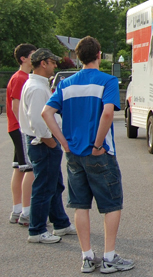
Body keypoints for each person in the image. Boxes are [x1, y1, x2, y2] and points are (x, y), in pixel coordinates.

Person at [42, 36, 134, 274]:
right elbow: (107, 114)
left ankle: (86, 256)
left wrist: (63, 142)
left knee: (80, 204)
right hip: (99, 152)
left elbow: (46, 112)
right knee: (112, 204)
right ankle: (109, 257)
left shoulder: (66, 83)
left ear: (78, 56)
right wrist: (97, 144)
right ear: (99, 55)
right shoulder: (108, 81)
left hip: (73, 153)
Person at [19, 48, 76, 244]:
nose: (54, 65)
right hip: (42, 142)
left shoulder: (36, 84)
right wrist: (51, 141)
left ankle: (60, 222)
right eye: (52, 62)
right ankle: (37, 229)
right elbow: (37, 120)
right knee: (44, 187)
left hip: (42, 142)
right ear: (43, 63)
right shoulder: (36, 88)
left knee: (53, 184)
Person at [6, 44, 36, 226]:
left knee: (19, 168)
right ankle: (27, 212)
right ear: (23, 58)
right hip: (20, 128)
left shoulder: (22, 77)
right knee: (30, 169)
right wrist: (25, 127)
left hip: (15, 127)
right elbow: (16, 106)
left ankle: (17, 209)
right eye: (33, 55)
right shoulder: (21, 78)